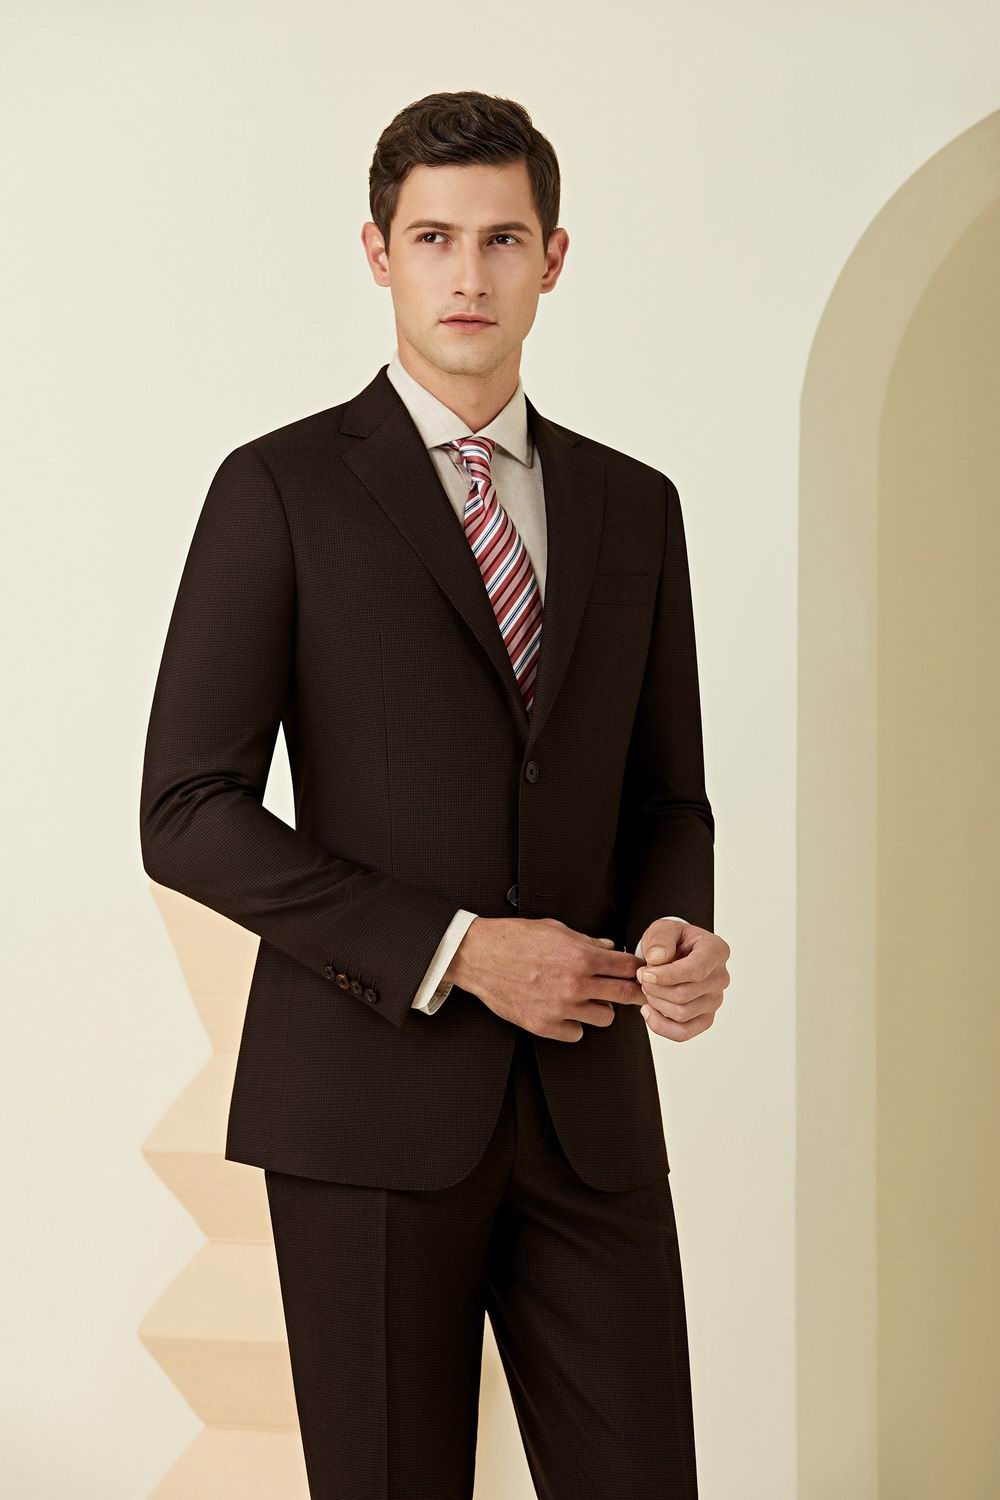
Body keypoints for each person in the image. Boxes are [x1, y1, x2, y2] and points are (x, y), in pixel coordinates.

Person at [140, 88, 731, 1500]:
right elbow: (188, 808)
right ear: (379, 253)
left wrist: (678, 928)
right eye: (434, 238)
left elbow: (669, 797)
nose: (469, 275)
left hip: (590, 1114)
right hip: (366, 1107)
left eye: (503, 239)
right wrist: (459, 951)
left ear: (554, 258)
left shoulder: (634, 505)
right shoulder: (279, 488)